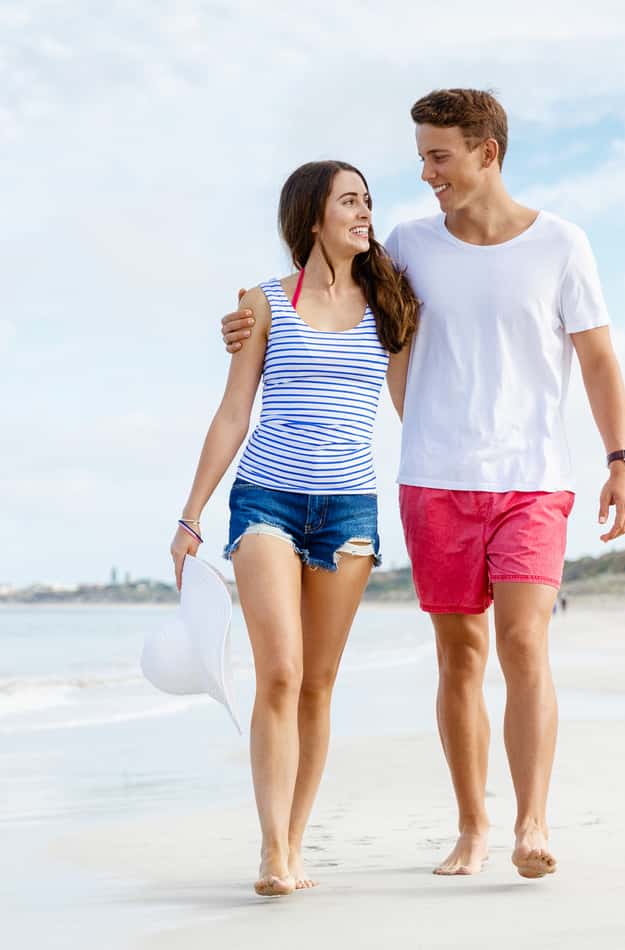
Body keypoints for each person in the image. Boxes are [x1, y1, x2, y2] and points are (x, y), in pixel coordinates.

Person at [223, 90, 625, 880]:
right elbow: (321, 284)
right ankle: (473, 826)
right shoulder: (407, 247)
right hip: (435, 481)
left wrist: (621, 459)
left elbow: (599, 359)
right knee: (460, 655)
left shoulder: (562, 245)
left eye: (438, 155)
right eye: (420, 155)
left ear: (487, 152)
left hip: (533, 479)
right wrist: (244, 320)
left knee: (523, 641)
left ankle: (532, 823)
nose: (425, 172)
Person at [173, 161, 418, 897]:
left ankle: (297, 840)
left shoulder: (390, 305)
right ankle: (272, 849)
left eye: (368, 201)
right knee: (278, 672)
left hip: (348, 510)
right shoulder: (264, 304)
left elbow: (416, 407)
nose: (365, 213)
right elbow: (231, 413)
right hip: (266, 502)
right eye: (350, 201)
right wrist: (191, 515)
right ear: (313, 217)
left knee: (318, 683)